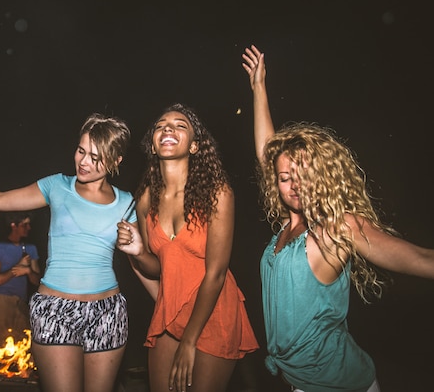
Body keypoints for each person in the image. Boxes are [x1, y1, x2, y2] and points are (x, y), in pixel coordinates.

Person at [242, 44, 434, 392]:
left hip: (342, 384)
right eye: (285, 177)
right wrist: (258, 87)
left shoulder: (335, 228)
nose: (294, 183)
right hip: (298, 382)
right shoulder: (286, 229)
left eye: (304, 173)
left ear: (322, 176)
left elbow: (419, 258)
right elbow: (268, 153)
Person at [0, 113, 136, 392]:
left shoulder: (127, 203)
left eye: (96, 158)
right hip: (55, 311)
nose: (84, 162)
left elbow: (142, 261)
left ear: (116, 160)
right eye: (81, 151)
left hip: (107, 313)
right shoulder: (57, 186)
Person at [116, 103, 259, 392]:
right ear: (154, 145)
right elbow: (159, 267)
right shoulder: (146, 199)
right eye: (160, 125)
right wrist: (137, 252)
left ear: (194, 146)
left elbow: (216, 273)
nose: (168, 128)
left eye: (180, 125)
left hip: (214, 309)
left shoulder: (217, 192)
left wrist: (190, 341)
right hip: (169, 311)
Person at [0, 211, 41, 347]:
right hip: (0, 301)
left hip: (21, 303)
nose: (29, 228)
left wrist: (28, 271)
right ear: (13, 225)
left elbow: (37, 281)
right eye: (25, 225)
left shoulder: (31, 249)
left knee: (21, 348)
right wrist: (17, 269)